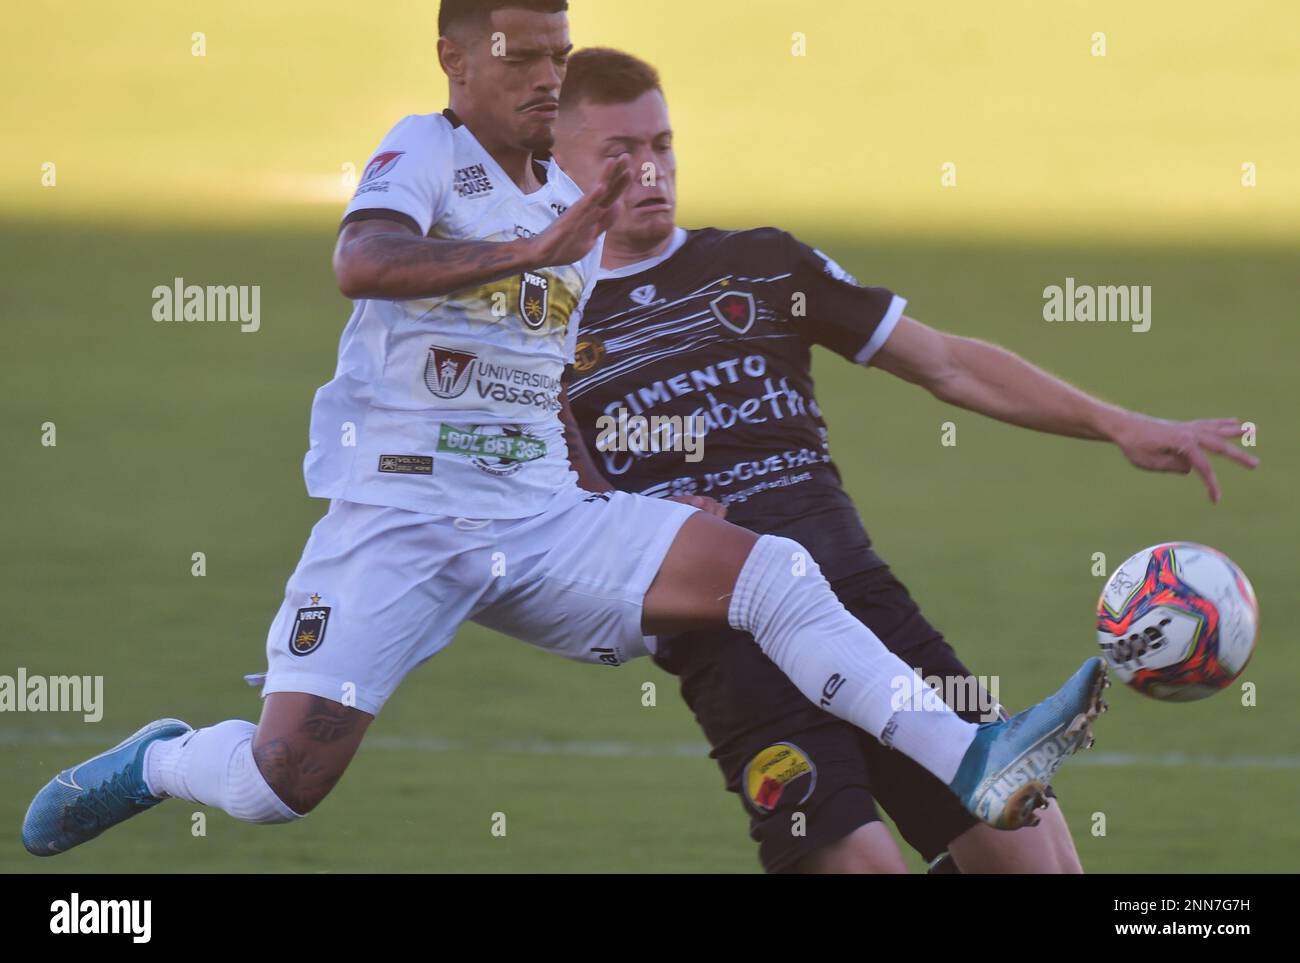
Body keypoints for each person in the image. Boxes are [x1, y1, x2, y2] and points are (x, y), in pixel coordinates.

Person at [22, 0, 1109, 862]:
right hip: (400, 519)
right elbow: (363, 262)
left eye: (558, 52)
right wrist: (538, 251)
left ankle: (972, 764)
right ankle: (161, 762)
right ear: (453, 59)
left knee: (769, 572)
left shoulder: (568, 203)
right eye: (519, 55)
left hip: (541, 517)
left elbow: (540, 386)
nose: (545, 75)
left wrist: (618, 501)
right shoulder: (432, 155)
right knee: (281, 785)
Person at [549, 47, 1258, 873]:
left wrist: (1120, 424)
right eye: (619, 153)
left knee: (1039, 862)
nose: (649, 171)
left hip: (866, 605)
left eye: (662, 145)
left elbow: (946, 362)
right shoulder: (537, 320)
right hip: (732, 642)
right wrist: (639, 525)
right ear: (555, 161)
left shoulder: (763, 265)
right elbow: (555, 508)